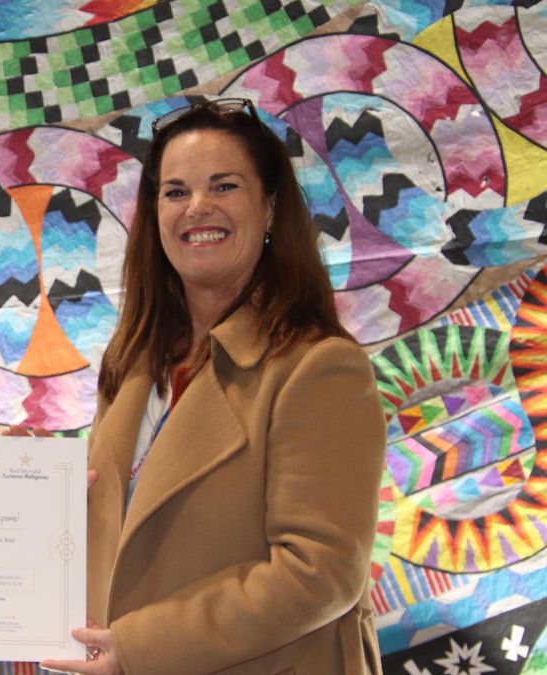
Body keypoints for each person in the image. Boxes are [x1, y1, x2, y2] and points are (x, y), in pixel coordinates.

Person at [39, 99, 387, 674]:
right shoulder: (132, 359)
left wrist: (141, 649)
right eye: (175, 191)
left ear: (270, 208)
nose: (197, 207)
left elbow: (319, 573)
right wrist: (37, 493)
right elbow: (131, 530)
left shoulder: (319, 367)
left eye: (224, 186)